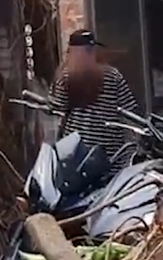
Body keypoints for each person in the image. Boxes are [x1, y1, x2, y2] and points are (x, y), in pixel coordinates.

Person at [49, 29, 139, 169]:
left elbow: (55, 108)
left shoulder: (66, 77)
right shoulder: (113, 76)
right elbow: (129, 110)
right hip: (111, 156)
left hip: (78, 156)